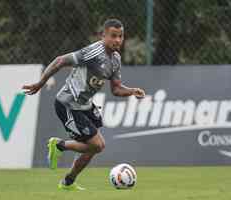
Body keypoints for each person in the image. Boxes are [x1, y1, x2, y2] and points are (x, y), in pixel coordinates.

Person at [22, 19, 145, 191]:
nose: (117, 40)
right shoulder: (93, 52)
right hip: (68, 104)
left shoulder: (115, 59)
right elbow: (60, 61)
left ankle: (68, 182)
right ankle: (58, 145)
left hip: (85, 105)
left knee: (92, 148)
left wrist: (132, 91)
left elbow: (116, 89)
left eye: (120, 36)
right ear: (103, 36)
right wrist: (40, 83)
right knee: (98, 145)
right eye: (113, 36)